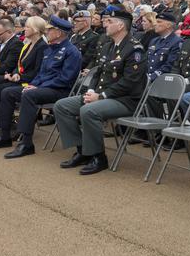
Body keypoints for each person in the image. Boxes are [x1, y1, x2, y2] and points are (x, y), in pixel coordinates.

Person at [53, 10, 146, 175]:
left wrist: (101, 96)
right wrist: (91, 91)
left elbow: (130, 82)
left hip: (125, 100)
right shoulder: (108, 45)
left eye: (109, 21)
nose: (105, 23)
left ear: (121, 25)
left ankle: (98, 157)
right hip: (101, 95)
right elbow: (98, 73)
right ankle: (83, 150)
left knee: (88, 111)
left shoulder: (134, 49)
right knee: (61, 106)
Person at [0, 16, 81, 157]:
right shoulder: (49, 49)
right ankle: (3, 135)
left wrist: (37, 87)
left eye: (49, 29)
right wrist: (34, 84)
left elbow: (65, 79)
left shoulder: (72, 52)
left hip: (59, 90)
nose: (46, 32)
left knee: (28, 95)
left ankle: (26, 142)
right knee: (7, 92)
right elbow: (41, 74)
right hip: (43, 88)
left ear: (58, 32)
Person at [145, 12, 182, 82]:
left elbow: (170, 65)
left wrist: (151, 77)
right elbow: (146, 60)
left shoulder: (177, 42)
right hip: (147, 78)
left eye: (159, 22)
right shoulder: (154, 41)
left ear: (168, 25)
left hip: (162, 80)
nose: (155, 24)